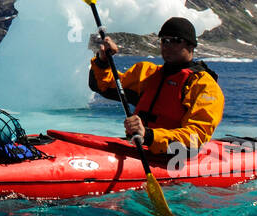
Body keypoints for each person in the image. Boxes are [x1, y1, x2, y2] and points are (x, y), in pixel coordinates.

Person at [89, 16, 224, 156]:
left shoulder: (204, 86)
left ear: (191, 45)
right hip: (138, 148)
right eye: (164, 40)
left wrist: (149, 135)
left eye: (175, 41)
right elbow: (105, 86)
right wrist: (103, 60)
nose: (167, 45)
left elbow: (196, 137)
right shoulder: (147, 73)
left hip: (175, 156)